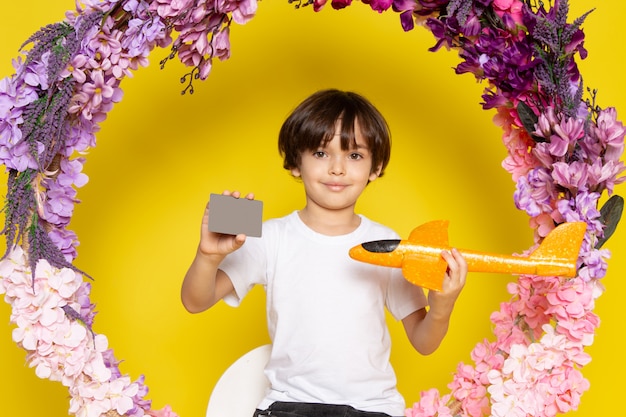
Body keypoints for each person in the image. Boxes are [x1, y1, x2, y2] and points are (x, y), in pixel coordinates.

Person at [181, 89, 467, 417]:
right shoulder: (271, 237)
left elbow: (423, 342)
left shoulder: (386, 243)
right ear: (294, 162)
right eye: (321, 153)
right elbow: (195, 301)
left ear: (375, 167)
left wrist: (442, 306)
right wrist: (208, 255)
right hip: (288, 407)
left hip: (371, 409)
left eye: (355, 155)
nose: (337, 168)